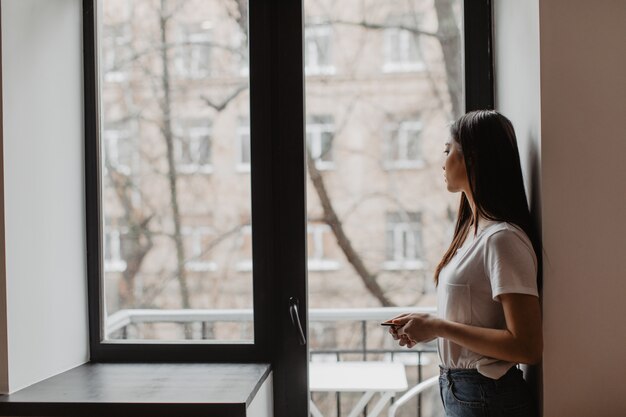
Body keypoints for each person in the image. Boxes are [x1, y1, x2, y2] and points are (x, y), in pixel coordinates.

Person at [385, 110, 542, 417]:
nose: (442, 162)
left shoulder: (503, 239)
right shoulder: (472, 233)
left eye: (448, 151)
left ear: (472, 158)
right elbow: (476, 315)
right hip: (464, 389)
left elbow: (527, 346)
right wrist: (428, 325)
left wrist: (439, 326)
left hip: (487, 396)